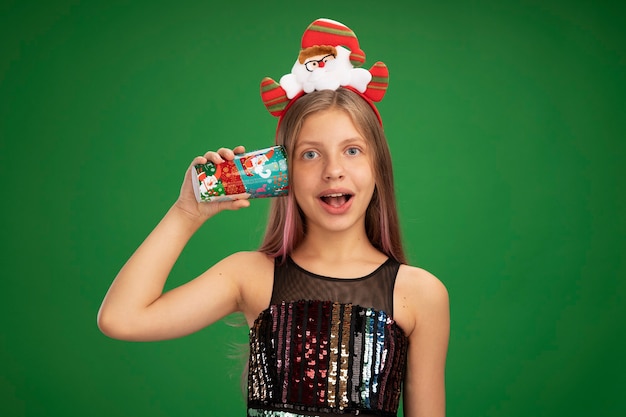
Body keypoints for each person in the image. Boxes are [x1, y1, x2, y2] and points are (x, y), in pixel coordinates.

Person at [98, 18, 449, 417]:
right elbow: (120, 319)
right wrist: (186, 212)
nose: (333, 170)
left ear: (377, 169)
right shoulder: (250, 275)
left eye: (352, 151)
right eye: (310, 154)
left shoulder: (421, 294)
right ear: (283, 174)